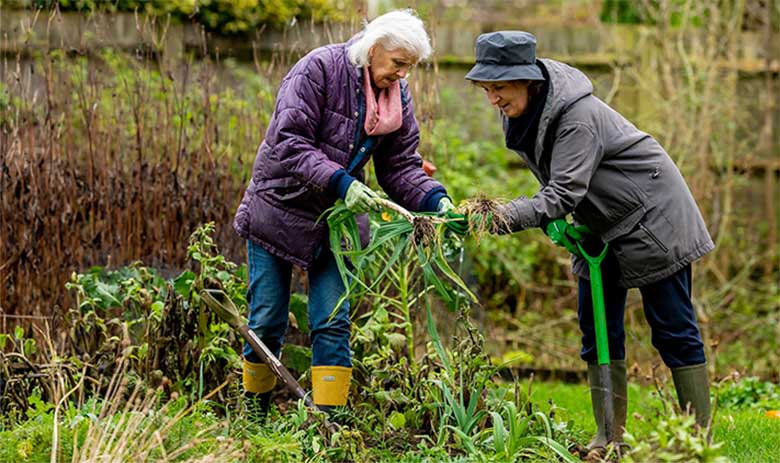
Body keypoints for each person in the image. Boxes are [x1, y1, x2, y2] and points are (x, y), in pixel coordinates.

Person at [463, 31, 714, 447]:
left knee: (672, 326)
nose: (493, 100)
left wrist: (499, 216)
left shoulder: (577, 116)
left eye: (500, 88)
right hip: (601, 223)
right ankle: (608, 438)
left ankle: (695, 442)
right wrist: (552, 220)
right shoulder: (524, 113)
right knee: (596, 329)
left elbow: (561, 193)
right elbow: (561, 188)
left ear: (528, 80)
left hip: (653, 215)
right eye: (487, 89)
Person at [232, 9, 457, 414]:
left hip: (337, 220)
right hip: (279, 206)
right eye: (398, 64)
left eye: (409, 68)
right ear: (374, 50)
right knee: (266, 318)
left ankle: (328, 425)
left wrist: (435, 200)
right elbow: (289, 140)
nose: (403, 75)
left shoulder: (395, 96)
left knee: (332, 320)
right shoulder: (318, 69)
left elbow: (400, 166)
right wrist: (342, 182)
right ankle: (255, 415)